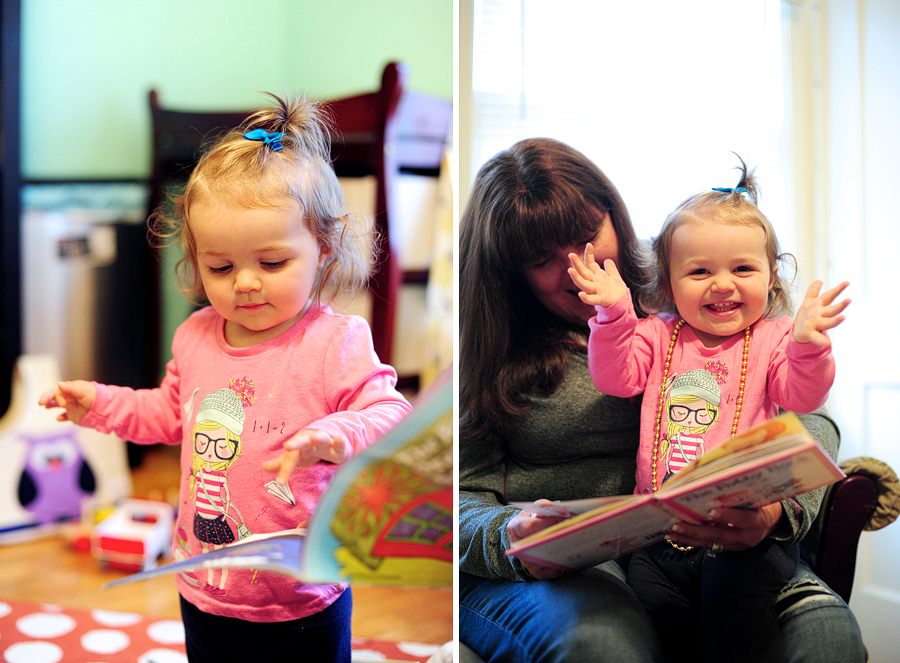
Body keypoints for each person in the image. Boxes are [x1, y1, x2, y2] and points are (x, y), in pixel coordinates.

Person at [458, 137, 867, 663]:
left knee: (827, 640)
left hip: (734, 534)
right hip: (597, 559)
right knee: (610, 644)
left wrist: (777, 511)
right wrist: (509, 536)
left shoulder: (689, 278)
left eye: (587, 235)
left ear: (613, 213)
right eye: (542, 258)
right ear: (511, 270)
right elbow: (459, 493)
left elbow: (807, 406)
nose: (578, 264)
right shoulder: (497, 343)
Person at [39, 93, 412, 663]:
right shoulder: (194, 337)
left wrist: (339, 433)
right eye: (220, 266)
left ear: (324, 249)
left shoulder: (336, 341)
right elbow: (167, 415)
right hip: (206, 587)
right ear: (196, 259)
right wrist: (99, 403)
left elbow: (393, 415)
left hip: (302, 596)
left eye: (270, 263)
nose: (244, 283)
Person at [566, 158, 851, 662]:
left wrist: (809, 346)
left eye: (743, 269)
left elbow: (804, 398)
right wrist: (613, 315)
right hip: (657, 538)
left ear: (771, 276)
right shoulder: (658, 333)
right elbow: (614, 377)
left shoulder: (775, 336)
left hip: (743, 537)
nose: (722, 284)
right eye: (699, 271)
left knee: (735, 628)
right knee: (659, 627)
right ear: (668, 282)